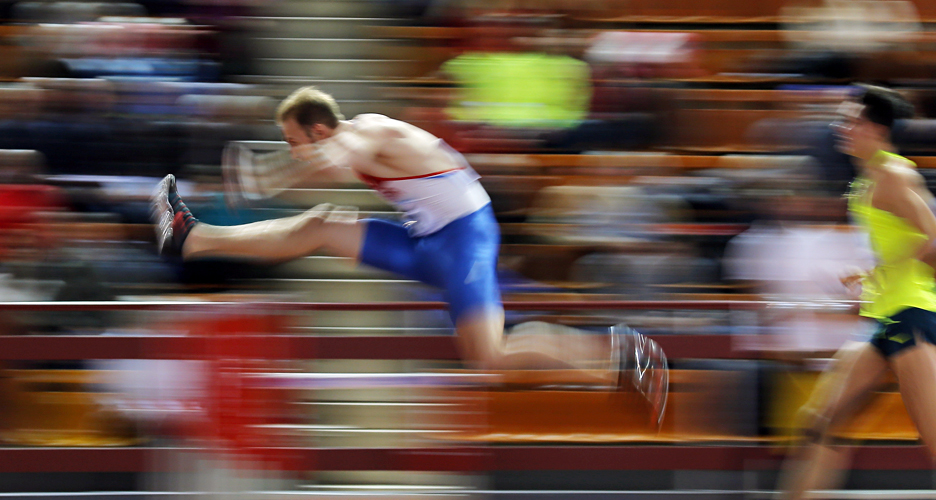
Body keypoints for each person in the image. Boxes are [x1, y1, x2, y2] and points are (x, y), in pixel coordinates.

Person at [150, 86, 669, 426]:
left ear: (319, 129)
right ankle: (192, 236)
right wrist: (270, 176)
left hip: (466, 239)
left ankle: (617, 355)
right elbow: (330, 162)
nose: (293, 150)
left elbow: (337, 158)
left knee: (490, 358)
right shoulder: (346, 139)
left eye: (293, 142)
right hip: (426, 240)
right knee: (322, 227)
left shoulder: (370, 132)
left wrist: (263, 176)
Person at [708, 85, 936, 500]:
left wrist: (879, 276)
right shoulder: (865, 181)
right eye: (841, 120)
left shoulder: (892, 174)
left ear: (876, 129)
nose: (840, 128)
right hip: (885, 320)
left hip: (912, 318)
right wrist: (869, 277)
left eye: (850, 121)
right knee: (821, 421)